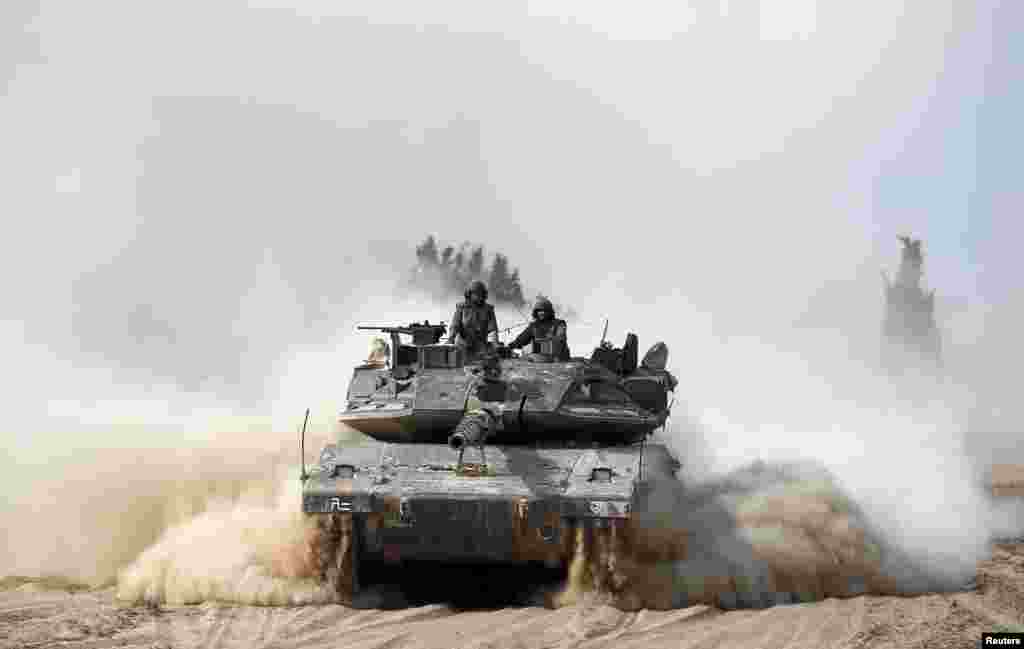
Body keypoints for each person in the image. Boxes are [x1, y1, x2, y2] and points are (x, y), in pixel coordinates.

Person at [447, 280, 499, 360]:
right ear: (470, 294)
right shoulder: (462, 308)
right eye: (476, 294)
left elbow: (493, 329)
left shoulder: (488, 309)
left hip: (481, 345)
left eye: (481, 294)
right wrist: (450, 339)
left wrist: (495, 343)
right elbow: (455, 326)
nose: (479, 296)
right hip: (463, 344)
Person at [508, 296, 570, 361]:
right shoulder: (534, 326)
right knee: (526, 353)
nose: (541, 313)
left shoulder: (559, 324)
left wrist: (537, 346)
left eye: (544, 310)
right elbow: (521, 340)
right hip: (539, 357)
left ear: (549, 312)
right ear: (536, 312)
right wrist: (509, 347)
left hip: (557, 357)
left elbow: (560, 341)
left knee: (531, 350)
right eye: (539, 311)